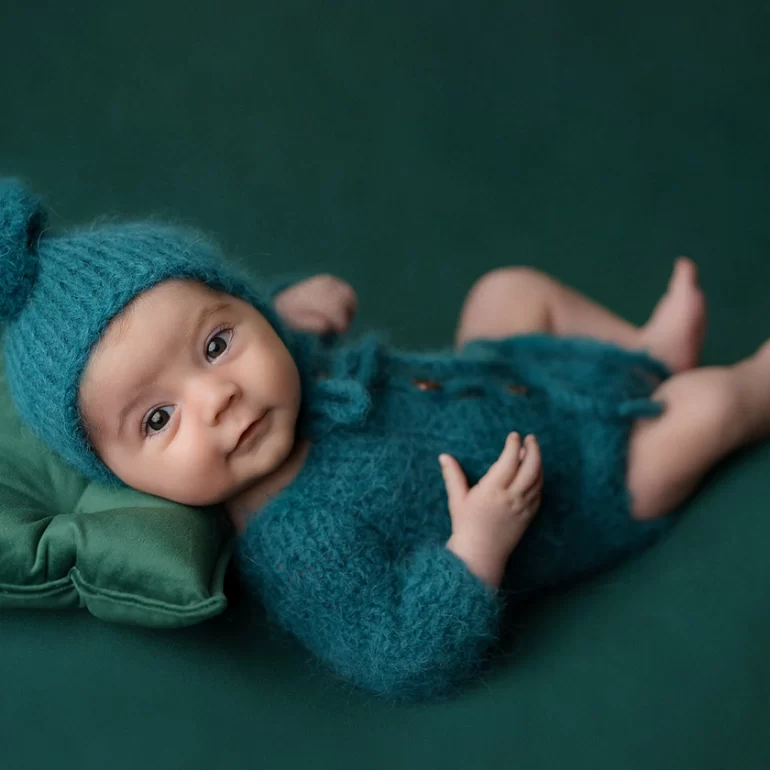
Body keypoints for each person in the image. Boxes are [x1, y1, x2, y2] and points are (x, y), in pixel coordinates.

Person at [2, 177, 769, 702]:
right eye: (158, 420)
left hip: (504, 375)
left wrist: (286, 312)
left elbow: (254, 341)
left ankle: (642, 353)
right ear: (120, 474)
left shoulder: (274, 384)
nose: (218, 396)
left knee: (506, 290)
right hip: (586, 487)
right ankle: (748, 386)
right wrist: (477, 549)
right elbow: (400, 653)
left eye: (216, 345)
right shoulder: (301, 544)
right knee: (701, 410)